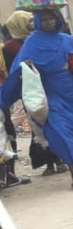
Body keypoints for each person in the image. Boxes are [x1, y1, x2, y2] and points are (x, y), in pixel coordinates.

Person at [0, 10, 73, 190]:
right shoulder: (31, 43)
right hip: (49, 93)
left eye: (52, 19)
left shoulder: (66, 40)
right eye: (44, 20)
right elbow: (21, 67)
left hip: (72, 91)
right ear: (38, 22)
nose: (49, 22)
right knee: (60, 131)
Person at [0, 11, 33, 187]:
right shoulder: (9, 47)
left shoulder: (3, 48)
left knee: (7, 134)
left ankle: (9, 175)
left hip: (4, 98)